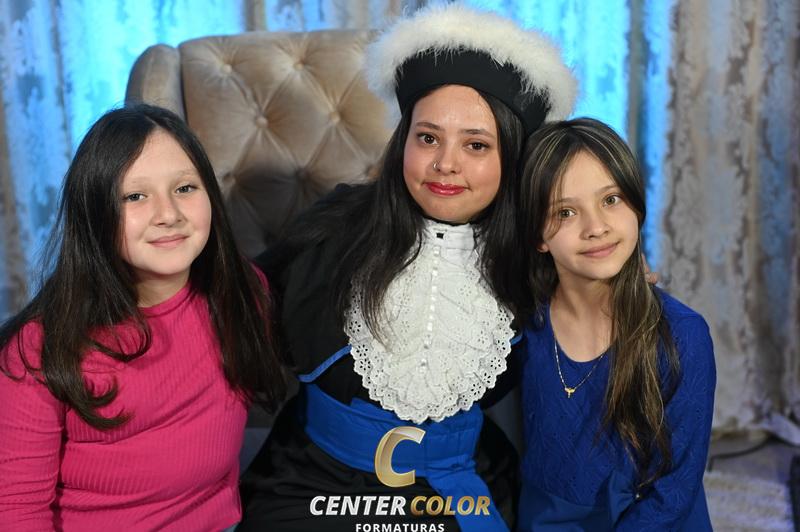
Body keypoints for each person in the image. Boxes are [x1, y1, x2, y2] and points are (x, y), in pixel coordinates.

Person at [238, 4, 575, 532]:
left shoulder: (536, 254)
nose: (446, 164)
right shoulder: (336, 226)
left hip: (457, 483)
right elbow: (239, 301)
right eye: (428, 137)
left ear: (511, 158)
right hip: (315, 482)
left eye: (476, 145)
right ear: (403, 141)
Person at [0, 103, 286, 531]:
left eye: (185, 188)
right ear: (96, 214)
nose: (168, 214)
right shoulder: (39, 350)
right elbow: (16, 509)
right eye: (135, 196)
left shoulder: (243, 294)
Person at [516, 118, 715, 531]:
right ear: (538, 235)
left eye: (611, 200)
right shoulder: (522, 326)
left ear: (636, 206)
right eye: (565, 212)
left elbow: (674, 492)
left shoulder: (682, 336)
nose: (597, 228)